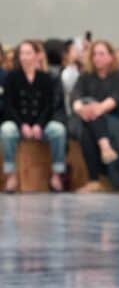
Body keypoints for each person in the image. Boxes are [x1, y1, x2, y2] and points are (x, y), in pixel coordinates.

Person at [68, 39, 119, 191]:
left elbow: (115, 99)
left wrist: (95, 110)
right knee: (87, 125)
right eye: (94, 54)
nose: (97, 58)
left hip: (115, 118)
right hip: (86, 118)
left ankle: (95, 180)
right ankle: (105, 148)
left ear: (111, 56)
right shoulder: (85, 76)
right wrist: (82, 109)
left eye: (101, 54)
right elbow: (75, 96)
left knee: (91, 125)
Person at [1, 39, 68, 192]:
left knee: (58, 130)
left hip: (40, 124)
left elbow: (48, 105)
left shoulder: (45, 78)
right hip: (19, 123)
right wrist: (22, 125)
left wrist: (39, 125)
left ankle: (56, 174)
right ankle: (11, 175)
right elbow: (9, 106)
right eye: (22, 54)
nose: (24, 57)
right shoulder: (11, 77)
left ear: (36, 55)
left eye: (28, 53)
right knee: (6, 130)